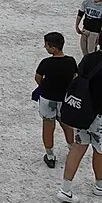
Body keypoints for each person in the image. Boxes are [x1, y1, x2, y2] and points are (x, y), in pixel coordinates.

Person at [57, 27, 102, 203]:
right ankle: (100, 185)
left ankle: (66, 188)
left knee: (78, 147)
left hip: (83, 113)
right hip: (101, 115)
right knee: (100, 150)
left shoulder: (88, 58)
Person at [33, 33, 79, 166]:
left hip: (48, 98)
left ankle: (50, 155)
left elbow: (38, 77)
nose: (45, 47)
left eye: (46, 45)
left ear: (53, 47)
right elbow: (75, 76)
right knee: (67, 125)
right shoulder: (71, 61)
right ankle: (72, 148)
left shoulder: (46, 62)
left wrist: (43, 86)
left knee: (48, 125)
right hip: (64, 99)